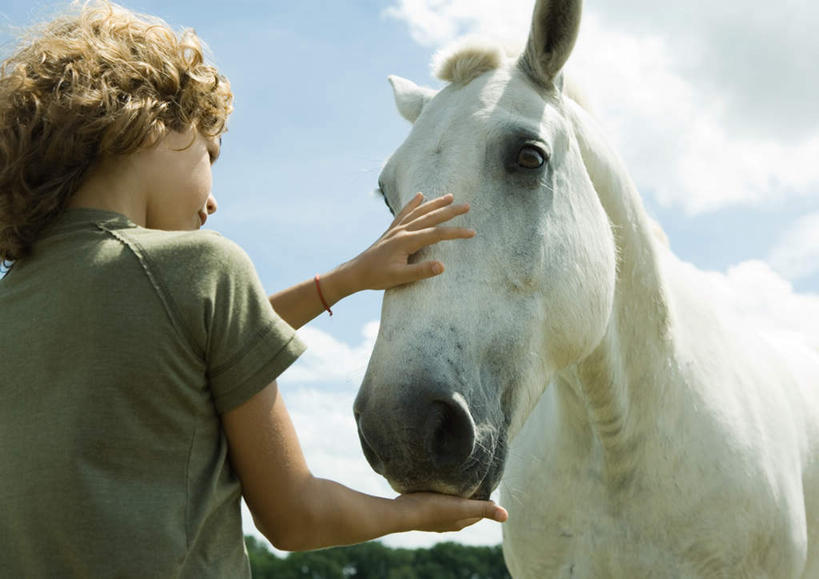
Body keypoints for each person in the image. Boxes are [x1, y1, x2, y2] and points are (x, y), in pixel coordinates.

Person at [0, 2, 507, 577]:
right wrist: (413, 515)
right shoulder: (204, 267)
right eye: (210, 153)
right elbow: (294, 518)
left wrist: (345, 280)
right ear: (152, 118)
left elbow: (184, 342)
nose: (213, 198)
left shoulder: (17, 298)